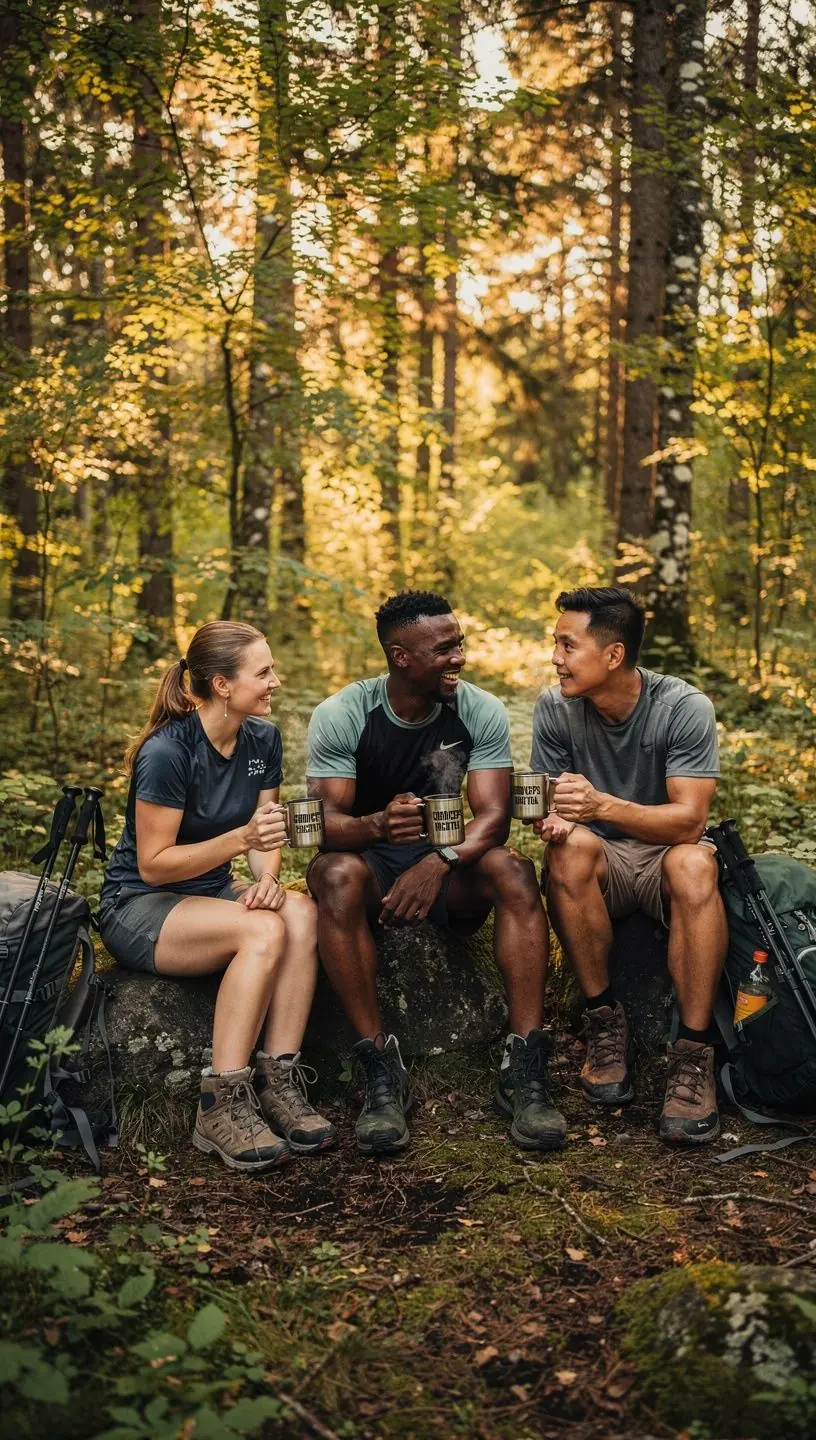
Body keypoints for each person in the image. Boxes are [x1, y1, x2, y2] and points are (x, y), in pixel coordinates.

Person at [305, 590, 565, 1156]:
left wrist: (438, 861)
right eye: (443, 648)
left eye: (459, 643)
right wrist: (377, 824)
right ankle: (381, 1071)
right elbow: (324, 825)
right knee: (333, 876)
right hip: (370, 865)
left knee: (516, 874)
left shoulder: (477, 709)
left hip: (448, 865)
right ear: (401, 657)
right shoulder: (344, 713)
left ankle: (524, 1062)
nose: (459, 657)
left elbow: (494, 817)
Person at [99, 621, 336, 1172]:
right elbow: (154, 866)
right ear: (223, 685)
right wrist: (239, 841)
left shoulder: (262, 739)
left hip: (210, 892)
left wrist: (267, 880)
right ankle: (221, 1102)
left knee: (298, 912)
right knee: (262, 929)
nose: (275, 681)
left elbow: (264, 832)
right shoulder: (167, 752)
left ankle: (278, 1079)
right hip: (140, 905)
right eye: (264, 672)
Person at [531, 586, 727, 1145]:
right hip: (604, 861)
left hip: (666, 858)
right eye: (556, 644)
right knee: (566, 852)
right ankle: (603, 1021)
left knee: (695, 865)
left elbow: (689, 822)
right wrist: (553, 820)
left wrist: (601, 806)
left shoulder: (682, 707)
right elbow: (547, 803)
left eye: (568, 646)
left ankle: (693, 1055)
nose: (556, 658)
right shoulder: (556, 708)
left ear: (613, 656)